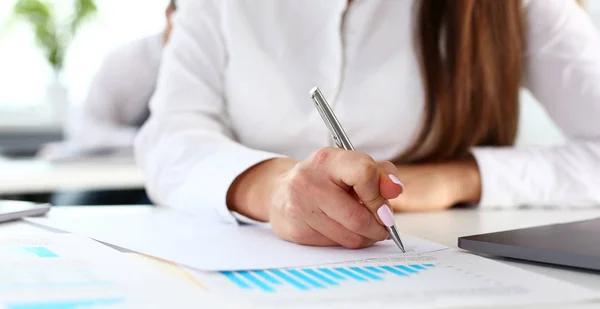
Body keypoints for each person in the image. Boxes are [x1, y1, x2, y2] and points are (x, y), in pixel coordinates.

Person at [136, 0, 600, 248]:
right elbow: (169, 137)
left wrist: (460, 178)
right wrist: (275, 190)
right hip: (249, 274)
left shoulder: (521, 7)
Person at [50, 0, 177, 206]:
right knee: (72, 207)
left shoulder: (217, 70)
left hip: (165, 177)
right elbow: (84, 129)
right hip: (110, 175)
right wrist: (143, 139)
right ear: (169, 15)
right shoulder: (127, 60)